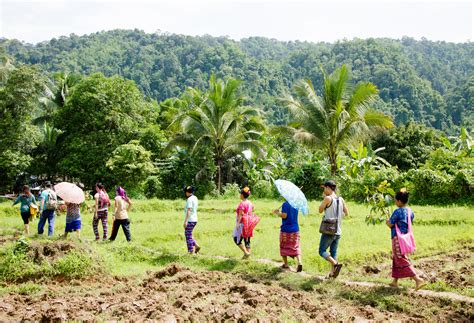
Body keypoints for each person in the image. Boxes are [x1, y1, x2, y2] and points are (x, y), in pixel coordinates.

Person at [386, 189, 426, 290]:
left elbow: (391, 224)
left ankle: (418, 279)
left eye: (395, 200)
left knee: (400, 258)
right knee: (397, 257)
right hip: (406, 239)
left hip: (397, 239)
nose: (395, 202)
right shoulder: (410, 211)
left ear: (399, 201)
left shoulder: (397, 211)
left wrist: (387, 222)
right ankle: (395, 281)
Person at [318, 180, 348, 278]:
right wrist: (338, 216)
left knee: (322, 251)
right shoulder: (341, 199)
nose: (324, 191)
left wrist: (324, 201)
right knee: (333, 252)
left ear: (328, 188)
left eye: (324, 188)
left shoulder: (327, 198)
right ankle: (332, 273)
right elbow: (346, 213)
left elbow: (320, 210)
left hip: (329, 230)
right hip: (338, 231)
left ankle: (335, 264)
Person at [273, 200, 302, 272]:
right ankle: (299, 262)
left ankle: (286, 264)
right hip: (295, 229)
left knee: (283, 246)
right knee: (295, 246)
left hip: (286, 229)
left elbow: (284, 216)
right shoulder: (296, 203)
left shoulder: (285, 204)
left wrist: (277, 213)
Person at [234, 187, 259, 259]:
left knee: (236, 239)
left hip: (242, 224)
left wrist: (238, 223)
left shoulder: (242, 204)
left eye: (240, 193)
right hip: (249, 223)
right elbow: (253, 208)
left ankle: (246, 253)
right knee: (247, 240)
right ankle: (248, 257)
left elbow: (241, 214)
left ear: (242, 195)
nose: (240, 195)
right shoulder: (250, 203)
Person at [183, 185, 200, 254]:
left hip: (190, 220)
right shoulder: (195, 198)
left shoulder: (189, 199)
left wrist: (186, 221)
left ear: (187, 192)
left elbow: (189, 210)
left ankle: (190, 252)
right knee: (189, 234)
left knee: (188, 235)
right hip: (195, 219)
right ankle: (196, 246)